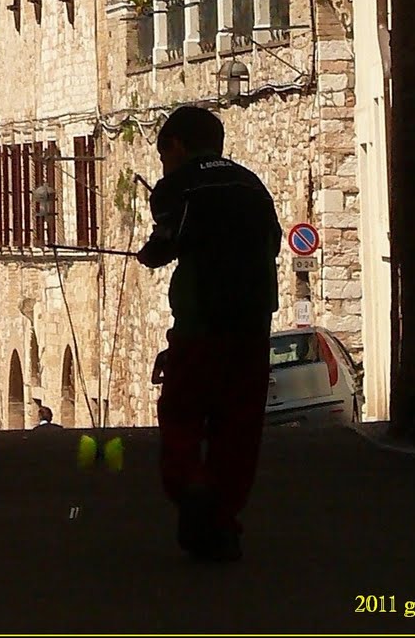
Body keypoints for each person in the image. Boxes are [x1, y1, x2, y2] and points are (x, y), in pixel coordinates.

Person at [136, 106, 281, 563]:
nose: (165, 166)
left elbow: (167, 240)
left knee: (182, 413)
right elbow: (273, 242)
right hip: (253, 321)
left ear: (176, 146)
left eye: (164, 157)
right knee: (238, 424)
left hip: (200, 323)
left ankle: (191, 485)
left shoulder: (177, 186)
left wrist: (150, 253)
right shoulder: (251, 184)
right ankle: (223, 518)